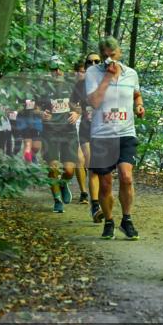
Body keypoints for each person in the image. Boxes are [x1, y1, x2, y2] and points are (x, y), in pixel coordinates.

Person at [86, 38, 143, 240]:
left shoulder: (131, 73)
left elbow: (136, 94)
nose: (109, 58)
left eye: (112, 54)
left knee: (126, 177)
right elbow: (94, 102)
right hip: (102, 135)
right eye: (105, 55)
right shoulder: (93, 73)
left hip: (126, 132)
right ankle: (109, 221)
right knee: (105, 183)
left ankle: (127, 220)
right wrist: (107, 78)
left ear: (119, 53)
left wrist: (139, 105)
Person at [37, 56, 82, 212]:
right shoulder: (42, 87)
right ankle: (57, 200)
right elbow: (34, 107)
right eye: (53, 69)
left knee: (69, 171)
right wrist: (41, 113)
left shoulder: (72, 85)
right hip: (50, 132)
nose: (57, 72)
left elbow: (81, 105)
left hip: (69, 131)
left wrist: (77, 113)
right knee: (53, 168)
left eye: (59, 68)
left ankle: (63, 184)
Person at [78, 53, 102, 217]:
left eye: (97, 61)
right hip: (86, 129)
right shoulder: (80, 85)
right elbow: (69, 102)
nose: (93, 64)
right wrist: (76, 111)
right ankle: (95, 205)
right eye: (90, 62)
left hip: (104, 131)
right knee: (91, 165)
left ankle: (99, 199)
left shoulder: (108, 82)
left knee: (101, 170)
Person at [69, 58, 90, 204]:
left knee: (88, 161)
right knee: (79, 159)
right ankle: (84, 192)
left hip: (88, 125)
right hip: (71, 125)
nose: (81, 74)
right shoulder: (68, 85)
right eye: (79, 71)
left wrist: (79, 111)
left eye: (83, 71)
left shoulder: (93, 85)